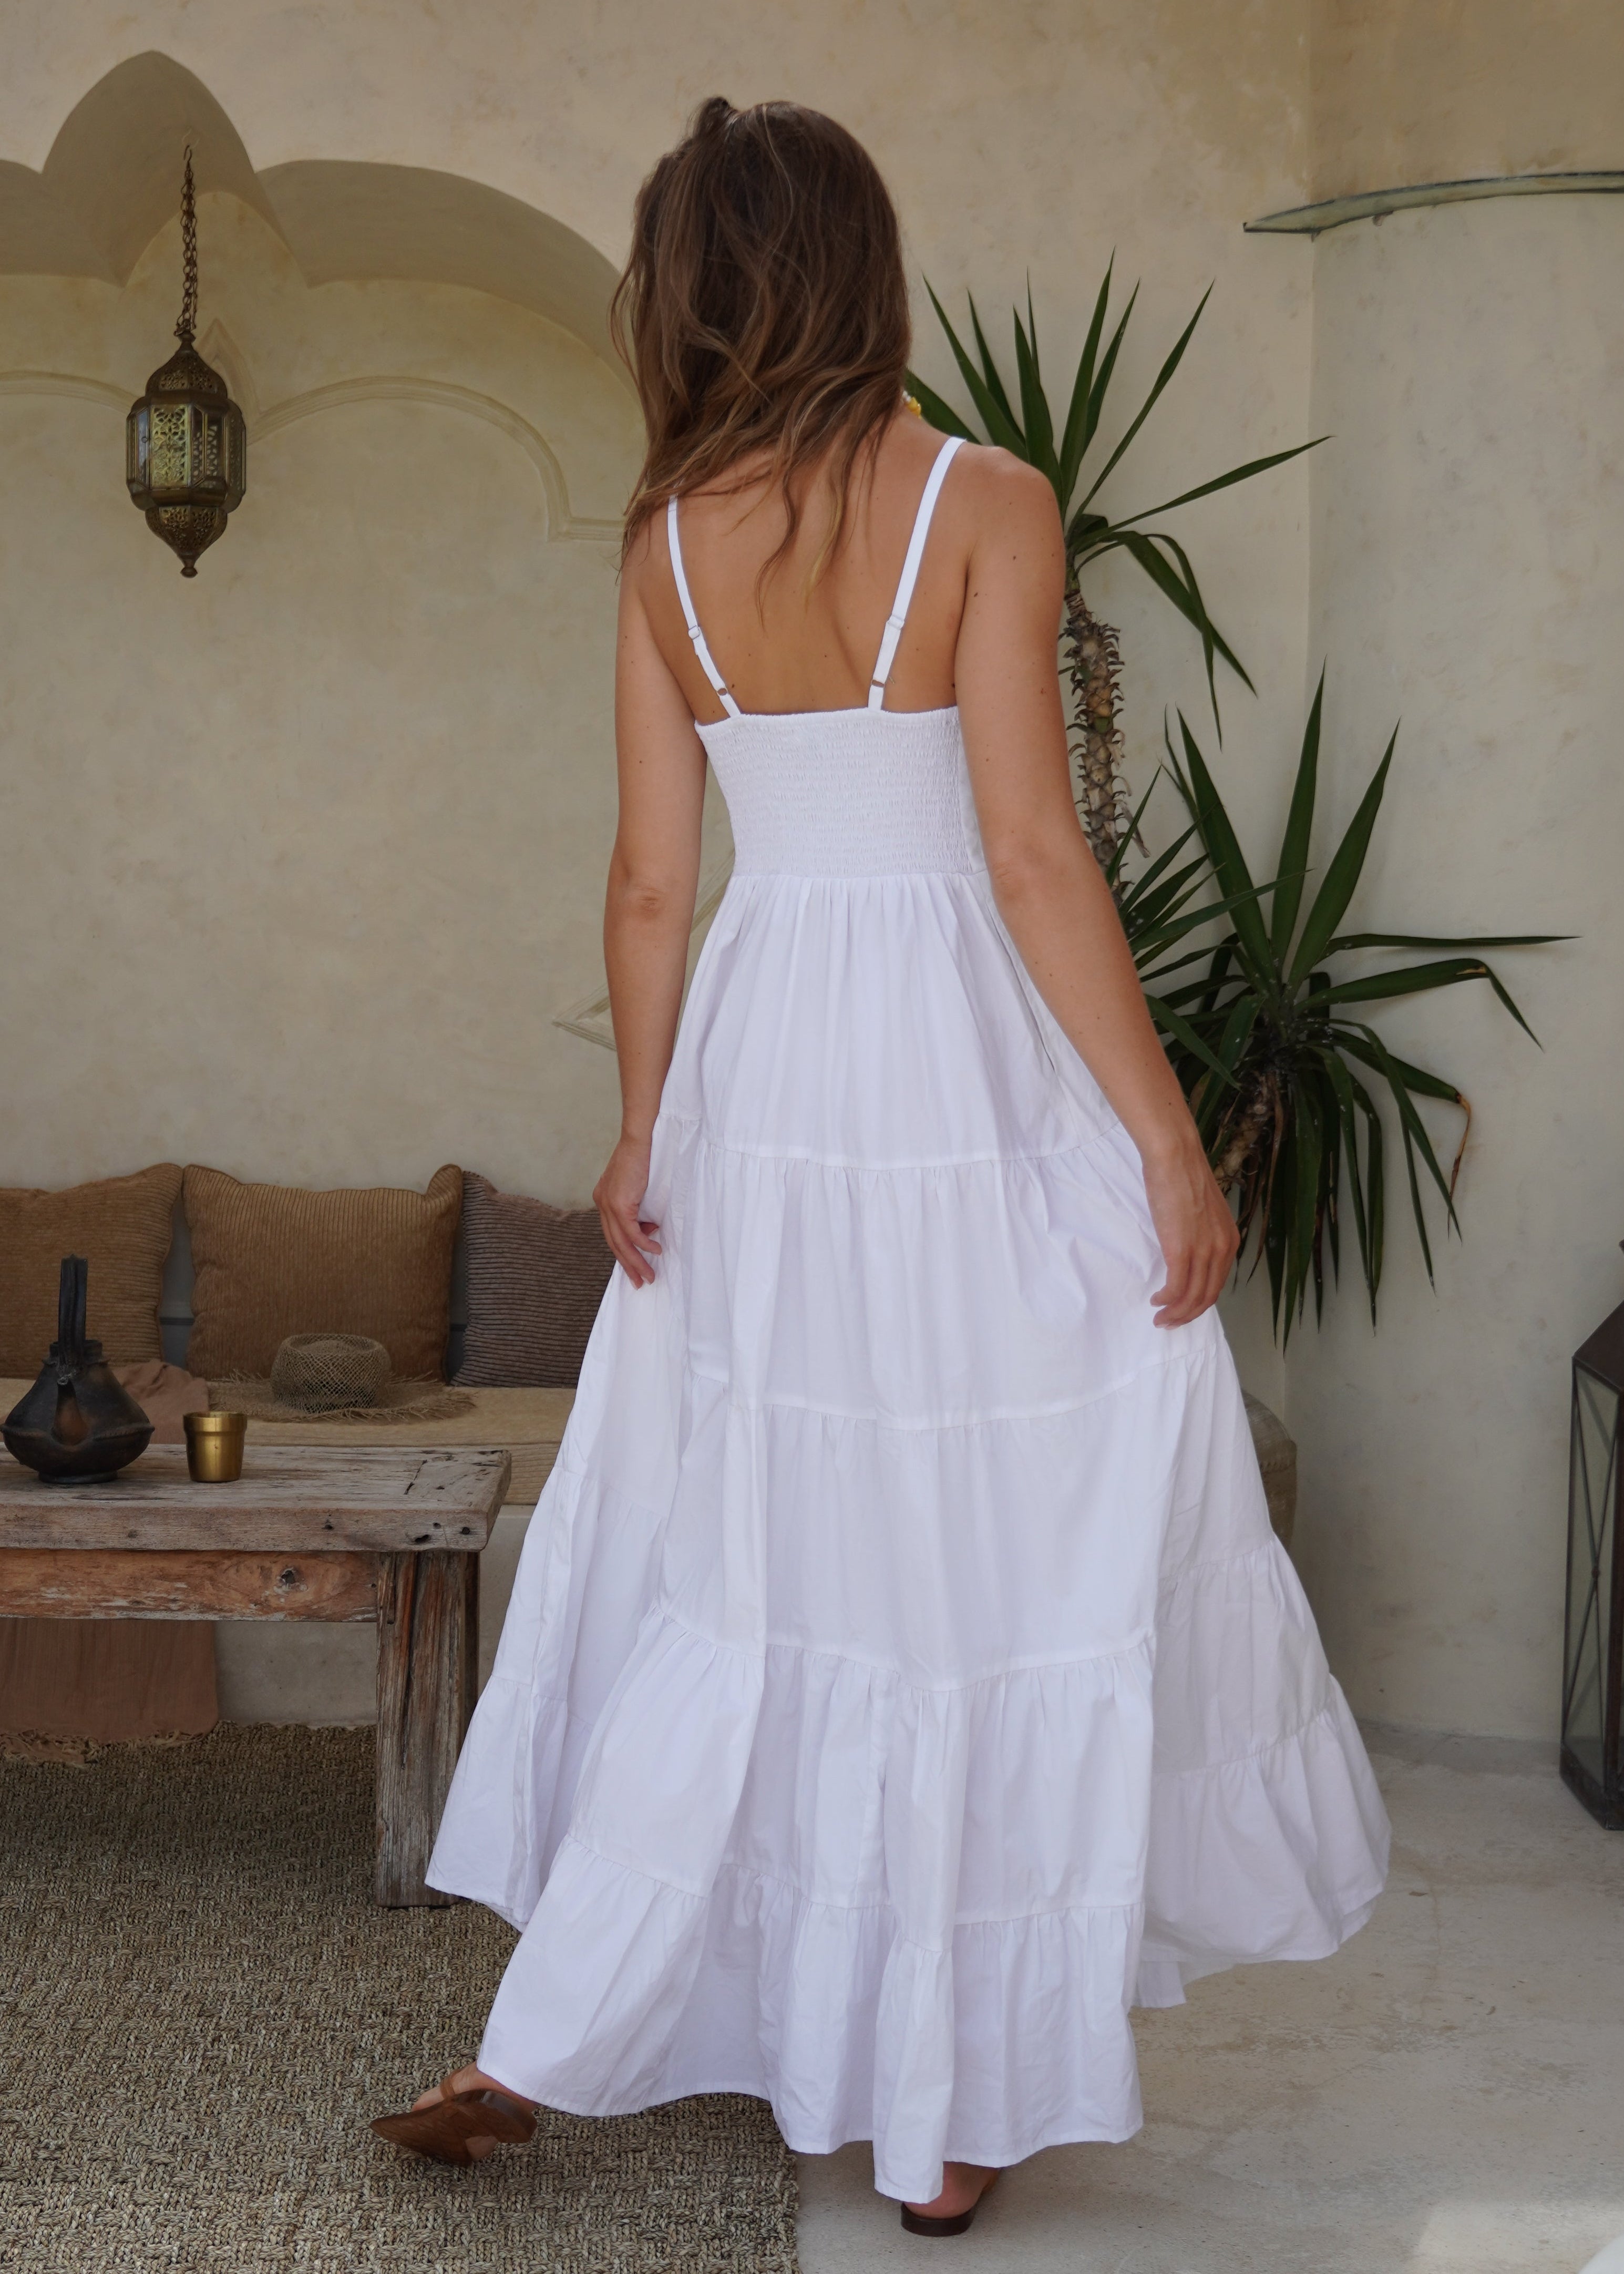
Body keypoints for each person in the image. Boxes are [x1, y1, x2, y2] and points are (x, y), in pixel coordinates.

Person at [371, 96, 1389, 2238]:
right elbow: (1025, 851)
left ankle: (556, 2024)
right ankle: (941, 2111)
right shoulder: (980, 500)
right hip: (954, 1061)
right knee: (993, 1549)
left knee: (753, 1554)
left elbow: (654, 881)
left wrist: (645, 1122)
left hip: (764, 1071)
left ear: (684, 290)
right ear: (855, 261)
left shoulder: (660, 541)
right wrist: (1164, 1141)